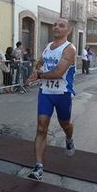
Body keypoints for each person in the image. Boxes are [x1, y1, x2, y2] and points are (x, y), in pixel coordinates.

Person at [26, 18, 76, 181]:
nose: (56, 27)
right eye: (55, 25)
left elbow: (58, 73)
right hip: (46, 92)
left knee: (65, 125)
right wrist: (36, 71)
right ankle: (38, 167)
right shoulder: (48, 47)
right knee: (41, 128)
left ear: (68, 31)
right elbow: (39, 63)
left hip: (62, 94)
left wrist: (39, 75)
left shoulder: (69, 49)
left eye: (61, 26)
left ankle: (69, 139)